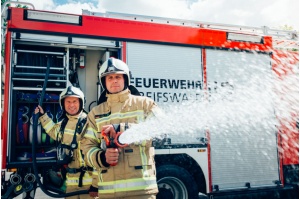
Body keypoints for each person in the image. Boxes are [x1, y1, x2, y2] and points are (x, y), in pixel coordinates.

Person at [81, 57, 159, 199]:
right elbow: (86, 147)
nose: (114, 80)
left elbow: (159, 132)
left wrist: (121, 129)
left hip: (142, 191)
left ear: (126, 79)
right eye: (109, 78)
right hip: (109, 193)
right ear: (104, 82)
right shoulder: (95, 113)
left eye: (118, 77)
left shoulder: (145, 105)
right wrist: (102, 158)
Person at [34, 86, 94, 199]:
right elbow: (53, 131)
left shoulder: (90, 122)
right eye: (68, 102)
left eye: (74, 101)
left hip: (89, 182)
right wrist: (43, 116)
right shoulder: (63, 124)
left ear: (81, 102)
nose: (71, 105)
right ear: (63, 104)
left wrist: (95, 185)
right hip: (71, 181)